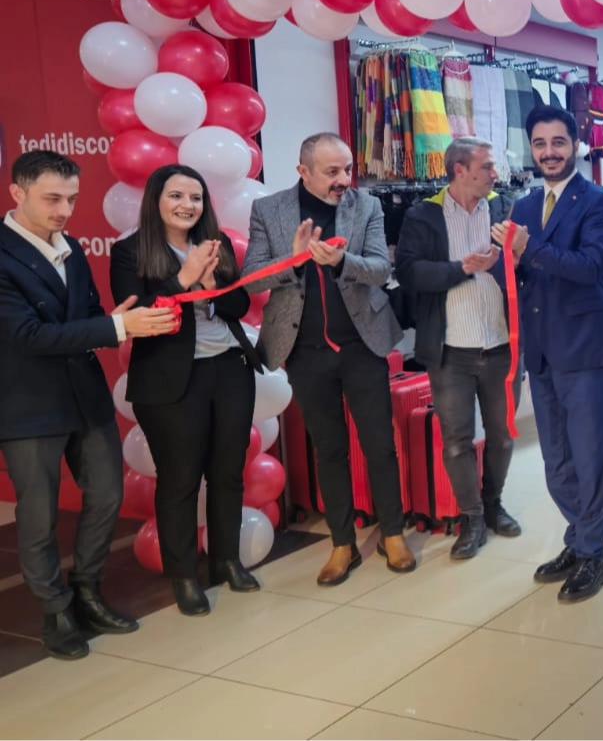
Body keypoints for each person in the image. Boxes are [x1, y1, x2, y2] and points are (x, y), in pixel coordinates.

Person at [0, 151, 176, 658]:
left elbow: (88, 314)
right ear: (17, 192)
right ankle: (54, 611)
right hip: (28, 405)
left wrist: (114, 319)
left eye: (72, 199)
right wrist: (115, 327)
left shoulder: (72, 247)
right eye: (52, 199)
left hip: (85, 395)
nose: (64, 210)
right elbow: (28, 336)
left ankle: (88, 591)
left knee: (106, 495)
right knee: (38, 514)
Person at [243, 132, 415, 586]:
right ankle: (342, 543)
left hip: (363, 344)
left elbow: (381, 268)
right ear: (303, 171)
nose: (344, 179)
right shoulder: (269, 210)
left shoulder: (367, 206)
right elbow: (251, 279)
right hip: (303, 351)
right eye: (332, 171)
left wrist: (342, 261)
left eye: (347, 169)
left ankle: (392, 533)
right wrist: (295, 261)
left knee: (379, 444)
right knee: (329, 448)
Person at [111, 165, 264, 616]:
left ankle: (226, 560)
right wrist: (184, 278)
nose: (187, 205)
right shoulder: (129, 252)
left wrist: (213, 285)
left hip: (229, 369)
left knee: (227, 472)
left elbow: (239, 305)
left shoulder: (216, 245)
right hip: (170, 379)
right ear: (156, 200)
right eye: (176, 196)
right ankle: (183, 576)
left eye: (195, 198)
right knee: (179, 479)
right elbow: (138, 313)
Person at [492, 105, 603, 603]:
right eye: (540, 143)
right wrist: (499, 264)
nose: (549, 152)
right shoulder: (523, 206)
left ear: (576, 145)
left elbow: (589, 267)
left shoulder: (600, 203)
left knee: (590, 458)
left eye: (558, 142)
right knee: (556, 460)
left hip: (586, 350)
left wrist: (529, 250)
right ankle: (579, 536)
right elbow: (521, 274)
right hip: (542, 350)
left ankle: (593, 553)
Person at [396, 138, 521, 561]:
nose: (495, 174)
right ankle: (472, 518)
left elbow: (525, 267)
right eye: (487, 166)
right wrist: (462, 268)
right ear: (459, 170)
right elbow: (409, 272)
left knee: (503, 436)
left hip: (502, 346)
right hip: (449, 351)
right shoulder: (423, 215)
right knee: (457, 441)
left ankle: (493, 503)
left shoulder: (505, 209)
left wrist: (513, 256)